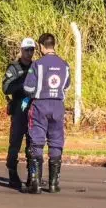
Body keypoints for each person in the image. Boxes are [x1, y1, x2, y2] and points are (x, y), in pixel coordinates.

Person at [21, 33, 71, 193]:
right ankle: (54, 184)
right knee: (56, 140)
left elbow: (28, 88)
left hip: (40, 105)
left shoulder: (37, 65)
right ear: (53, 45)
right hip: (58, 105)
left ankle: (35, 183)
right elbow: (67, 86)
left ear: (42, 46)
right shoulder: (65, 65)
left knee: (37, 140)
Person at [1, 38, 37, 190]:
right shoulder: (14, 67)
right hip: (19, 109)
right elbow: (6, 87)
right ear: (21, 50)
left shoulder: (37, 67)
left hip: (34, 109)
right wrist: (24, 81)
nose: (29, 53)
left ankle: (32, 175)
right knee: (15, 143)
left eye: (32, 50)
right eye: (27, 50)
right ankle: (12, 172)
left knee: (33, 143)